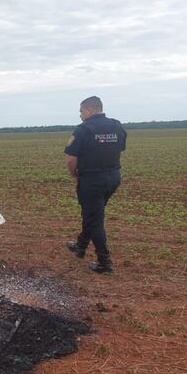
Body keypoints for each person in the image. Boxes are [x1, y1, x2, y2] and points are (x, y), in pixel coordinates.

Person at [64, 96, 127, 273]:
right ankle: (81, 245)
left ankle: (104, 262)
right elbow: (120, 149)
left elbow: (70, 160)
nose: (80, 115)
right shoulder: (116, 126)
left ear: (90, 110)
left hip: (92, 180)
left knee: (95, 219)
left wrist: (75, 175)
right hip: (113, 177)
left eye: (81, 111)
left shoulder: (83, 129)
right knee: (93, 213)